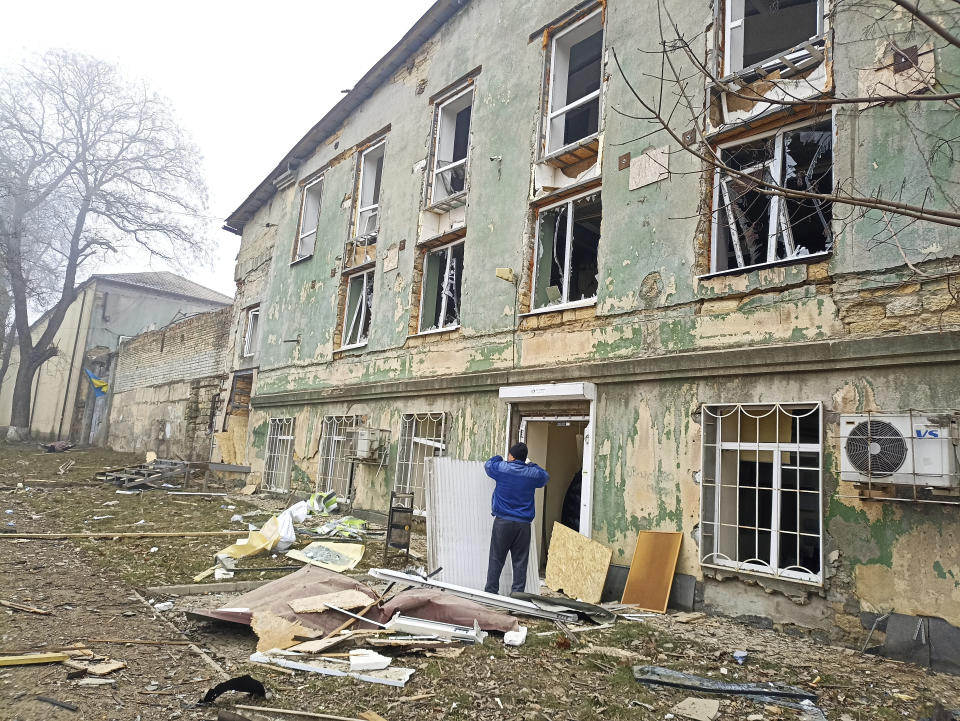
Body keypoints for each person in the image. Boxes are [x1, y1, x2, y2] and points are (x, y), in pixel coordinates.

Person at [483, 442, 549, 594]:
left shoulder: (502, 468)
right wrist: (531, 464)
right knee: (520, 562)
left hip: (502, 522)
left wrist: (499, 457)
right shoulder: (531, 473)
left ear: (511, 456)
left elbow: (489, 465)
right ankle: (517, 595)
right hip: (523, 525)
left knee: (496, 558)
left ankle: (491, 592)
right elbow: (545, 476)